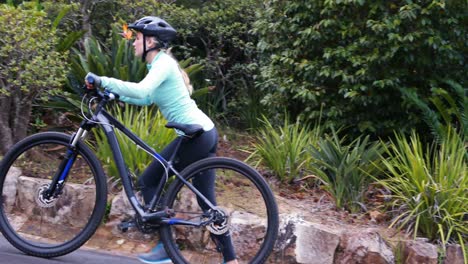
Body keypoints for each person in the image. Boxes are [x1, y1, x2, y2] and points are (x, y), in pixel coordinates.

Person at [85, 16, 238, 264]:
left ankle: (165, 246)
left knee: (149, 180)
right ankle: (231, 260)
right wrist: (113, 95)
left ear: (151, 41)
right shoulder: (158, 66)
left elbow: (143, 91)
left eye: (136, 38)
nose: (133, 43)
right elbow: (146, 99)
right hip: (202, 132)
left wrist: (104, 81)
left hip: (196, 135)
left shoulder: (163, 64)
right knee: (207, 201)